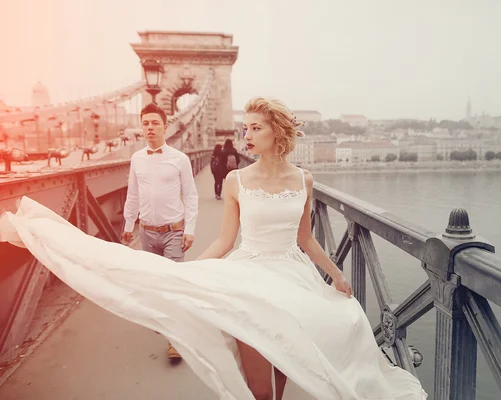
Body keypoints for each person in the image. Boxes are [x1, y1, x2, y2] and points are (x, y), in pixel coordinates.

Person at [0, 97, 427, 400]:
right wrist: (184, 274)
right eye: (245, 127)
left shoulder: (305, 180)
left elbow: (305, 238)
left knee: (289, 372)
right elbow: (225, 240)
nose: (246, 133)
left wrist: (334, 273)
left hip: (295, 279)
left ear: (277, 131)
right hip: (250, 277)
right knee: (259, 389)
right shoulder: (237, 181)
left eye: (255, 126)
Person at [121, 102, 199, 360]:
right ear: (141, 128)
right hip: (146, 233)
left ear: (166, 127)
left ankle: (175, 340)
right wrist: (128, 225)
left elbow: (190, 196)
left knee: (172, 286)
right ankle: (169, 324)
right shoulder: (136, 159)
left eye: (155, 123)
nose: (150, 128)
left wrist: (190, 228)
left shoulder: (180, 159)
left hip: (174, 232)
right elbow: (132, 194)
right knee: (156, 283)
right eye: (146, 123)